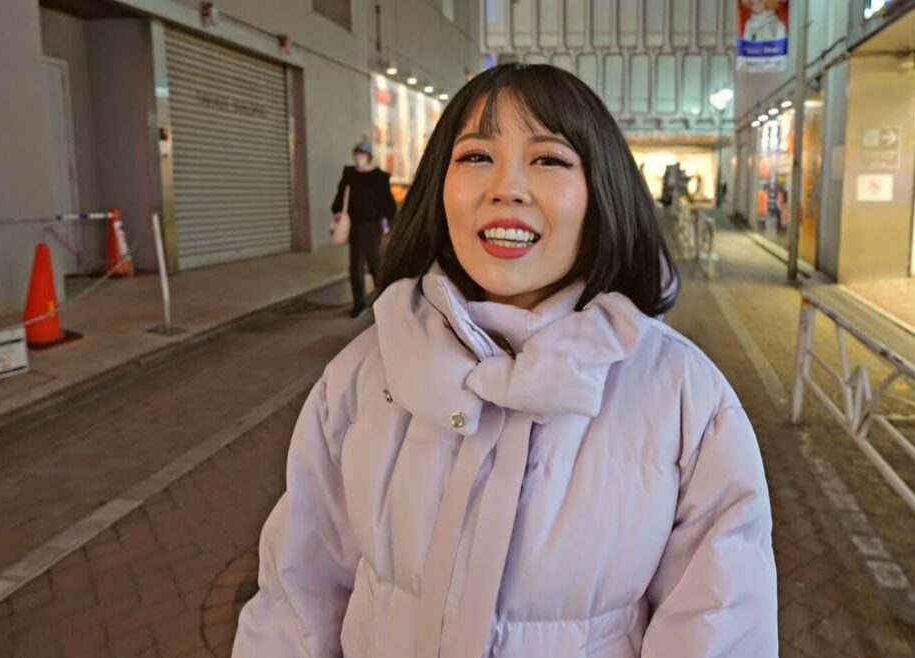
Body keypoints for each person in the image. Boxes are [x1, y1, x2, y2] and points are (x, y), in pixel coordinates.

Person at [234, 63, 777, 657]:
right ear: (439, 189)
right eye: (474, 157)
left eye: (548, 159)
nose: (506, 187)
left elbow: (720, 628)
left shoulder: (684, 395)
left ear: (603, 192)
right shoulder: (364, 373)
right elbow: (295, 599)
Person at [332, 139, 398, 317]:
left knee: (375, 264)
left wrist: (392, 225)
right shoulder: (350, 174)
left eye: (361, 155)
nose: (357, 158)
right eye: (356, 154)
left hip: (373, 227)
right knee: (355, 266)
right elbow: (340, 194)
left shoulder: (379, 176)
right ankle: (358, 303)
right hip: (355, 226)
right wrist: (337, 210)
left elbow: (388, 204)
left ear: (368, 156)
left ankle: (382, 300)